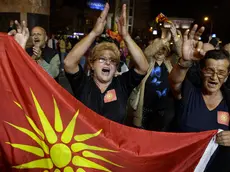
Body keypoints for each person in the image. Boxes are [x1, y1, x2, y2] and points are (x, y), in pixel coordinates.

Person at [64, 3, 148, 124]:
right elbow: (68, 63)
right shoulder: (83, 84)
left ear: (116, 68)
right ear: (92, 64)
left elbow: (143, 67)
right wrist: (94, 33)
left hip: (113, 142)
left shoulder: (122, 85)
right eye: (102, 59)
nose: (108, 63)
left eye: (113, 60)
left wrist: (125, 36)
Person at [169, 24, 230, 171]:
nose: (214, 77)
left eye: (221, 73)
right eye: (210, 70)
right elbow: (175, 81)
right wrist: (184, 62)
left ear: (227, 76)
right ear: (202, 71)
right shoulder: (189, 93)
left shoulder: (229, 101)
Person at [128, 23, 182, 131]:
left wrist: (175, 37)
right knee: (143, 135)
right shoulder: (147, 62)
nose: (160, 51)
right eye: (158, 49)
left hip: (164, 108)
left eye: (163, 49)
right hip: (146, 107)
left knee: (160, 137)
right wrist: (163, 40)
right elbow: (146, 53)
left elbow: (181, 54)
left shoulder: (170, 63)